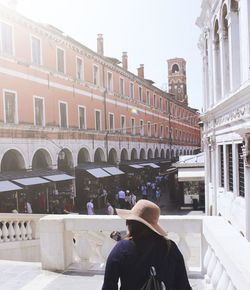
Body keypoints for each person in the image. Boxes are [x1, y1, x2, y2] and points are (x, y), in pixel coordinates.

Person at [102, 200, 191, 290]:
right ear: (153, 226)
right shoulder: (170, 247)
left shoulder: (121, 249)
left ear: (130, 224)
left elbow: (108, 286)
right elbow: (184, 286)